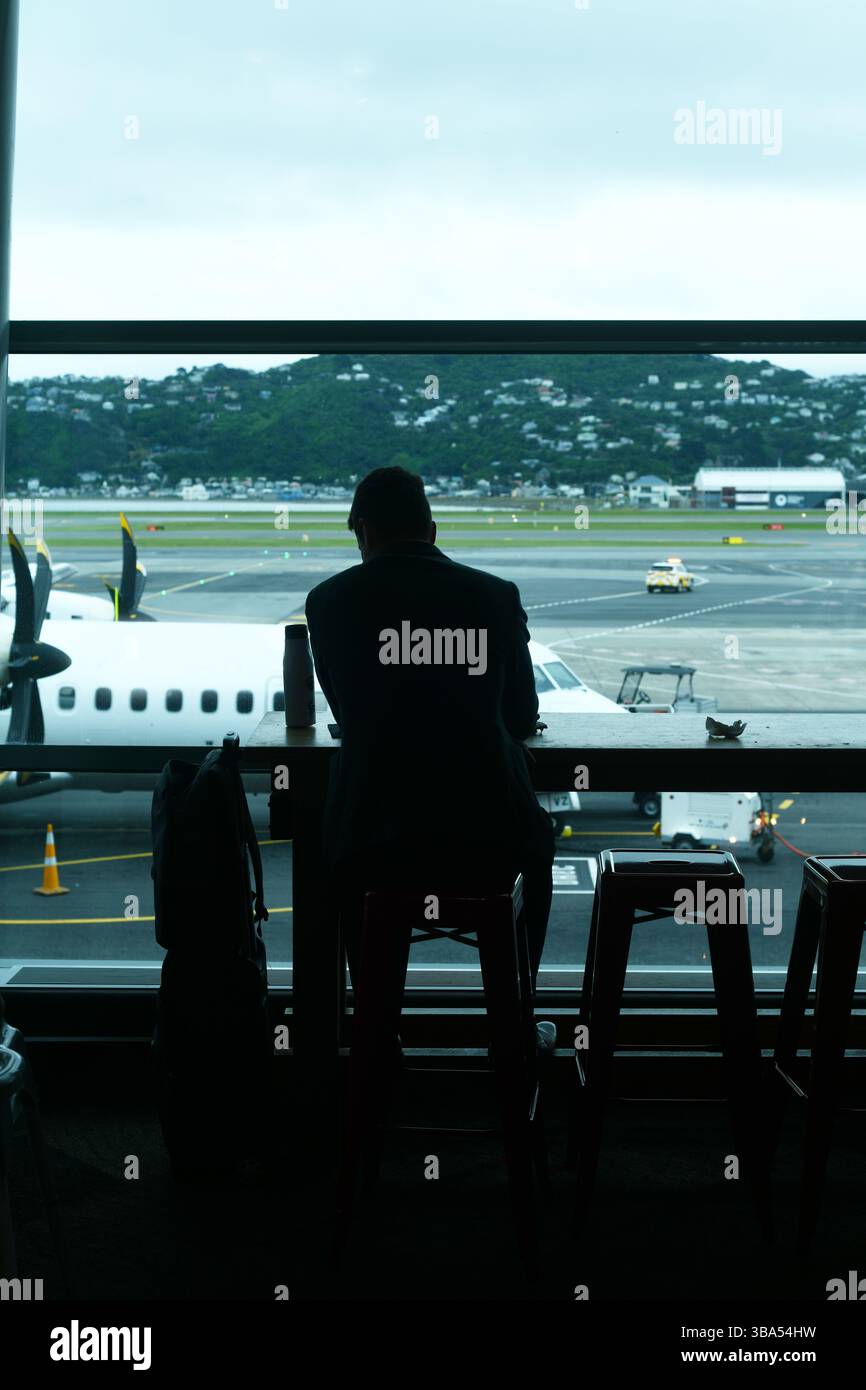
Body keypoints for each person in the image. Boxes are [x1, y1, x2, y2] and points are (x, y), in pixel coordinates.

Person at [305, 466, 556, 1045]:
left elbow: (348, 716)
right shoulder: (494, 596)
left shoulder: (328, 602)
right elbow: (520, 717)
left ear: (363, 531)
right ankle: (516, 1021)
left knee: (346, 862)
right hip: (488, 844)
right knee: (534, 847)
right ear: (433, 528)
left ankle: (375, 1033)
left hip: (374, 844)